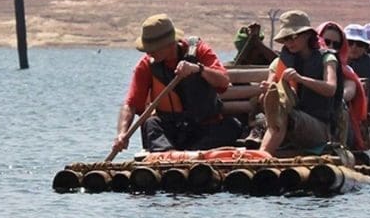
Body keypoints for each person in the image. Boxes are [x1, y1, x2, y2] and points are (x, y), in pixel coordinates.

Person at [112, 14, 242, 154]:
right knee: (151, 124)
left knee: (232, 126)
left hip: (205, 127)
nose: (149, 52)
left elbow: (223, 81)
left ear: (169, 44)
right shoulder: (146, 65)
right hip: (172, 131)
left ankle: (189, 154)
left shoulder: (199, 50)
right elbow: (130, 104)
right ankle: (170, 155)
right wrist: (122, 134)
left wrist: (198, 69)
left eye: (154, 48)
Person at [259, 10, 343, 155]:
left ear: (308, 35)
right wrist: (267, 90)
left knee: (285, 115)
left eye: (293, 37)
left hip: (320, 128)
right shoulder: (279, 63)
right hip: (284, 122)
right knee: (274, 113)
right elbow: (268, 96)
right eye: (285, 39)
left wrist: (300, 79)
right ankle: (262, 154)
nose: (289, 42)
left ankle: (263, 154)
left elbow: (331, 88)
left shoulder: (327, 59)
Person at [317, 21, 368, 151]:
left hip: (335, 120)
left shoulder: (345, 70)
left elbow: (349, 89)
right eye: (327, 42)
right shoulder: (307, 63)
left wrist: (335, 95)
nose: (331, 47)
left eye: (337, 44)